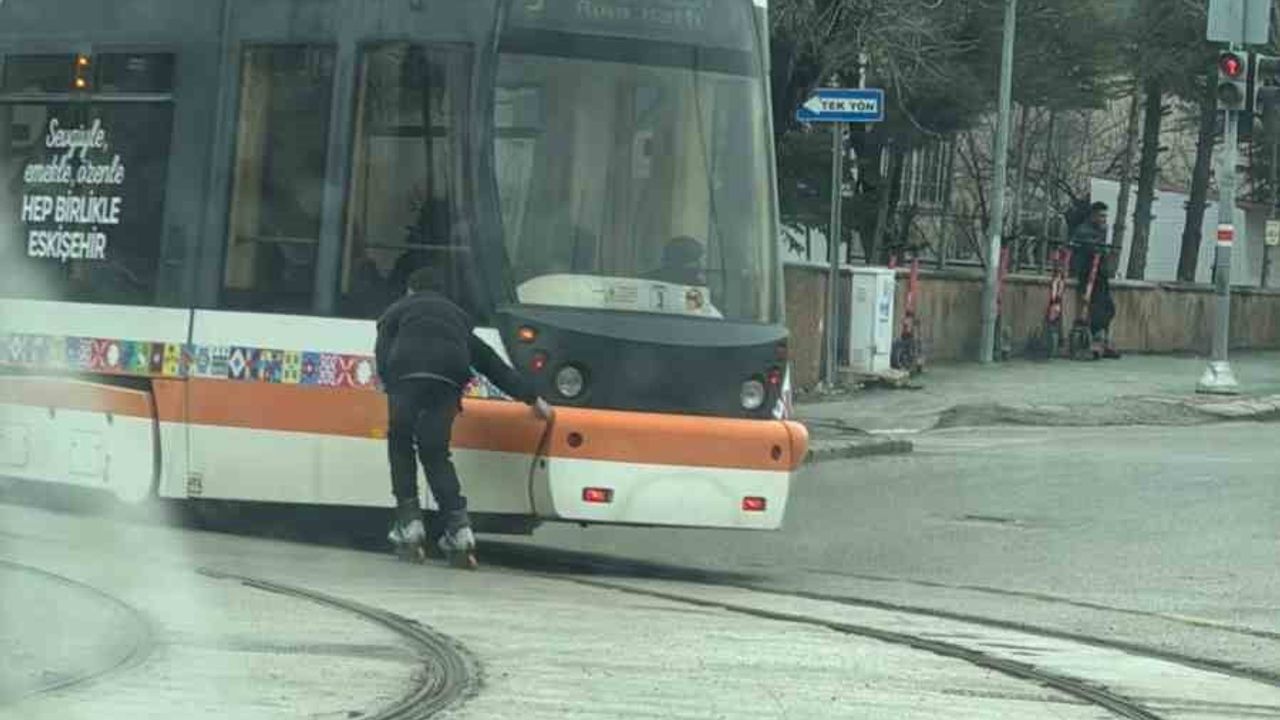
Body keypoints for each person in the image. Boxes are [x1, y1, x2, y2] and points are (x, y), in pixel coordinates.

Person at [375, 265, 553, 566]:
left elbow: (383, 359)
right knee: (435, 451)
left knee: (400, 441)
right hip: (448, 379)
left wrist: (394, 388)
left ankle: (409, 522)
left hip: (407, 376)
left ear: (410, 290)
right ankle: (459, 530)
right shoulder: (457, 317)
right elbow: (491, 364)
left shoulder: (397, 311)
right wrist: (532, 398)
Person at [1070, 201, 1121, 360]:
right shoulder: (1084, 230)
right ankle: (1096, 341)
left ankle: (1102, 340)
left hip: (1100, 274)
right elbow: (1088, 248)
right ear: (1093, 215)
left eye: (1105, 216)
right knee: (1097, 308)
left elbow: (1101, 250)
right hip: (1088, 274)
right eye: (1101, 215)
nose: (1104, 219)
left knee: (1108, 308)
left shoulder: (1100, 230)